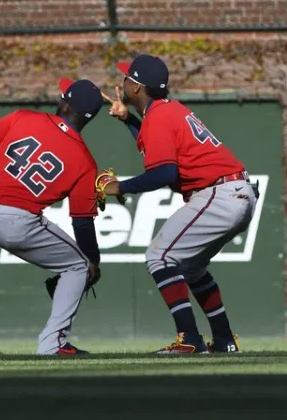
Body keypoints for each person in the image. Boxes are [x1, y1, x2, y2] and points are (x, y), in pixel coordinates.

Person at [100, 55, 258, 354]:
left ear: (136, 87)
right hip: (236, 192)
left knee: (159, 257)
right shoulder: (166, 111)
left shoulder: (159, 117)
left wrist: (121, 186)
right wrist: (128, 120)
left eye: (126, 79)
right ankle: (224, 341)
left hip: (219, 193)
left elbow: (164, 173)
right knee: (193, 268)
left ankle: (189, 339)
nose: (122, 82)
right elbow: (156, 148)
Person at [0, 78, 104, 356]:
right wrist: (93, 261)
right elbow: (82, 222)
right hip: (16, 221)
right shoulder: (85, 161)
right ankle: (53, 344)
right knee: (77, 267)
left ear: (65, 104)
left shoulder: (24, 118)